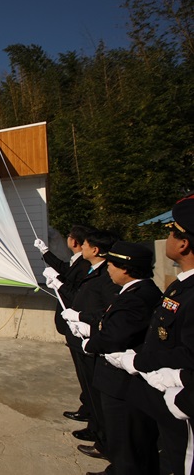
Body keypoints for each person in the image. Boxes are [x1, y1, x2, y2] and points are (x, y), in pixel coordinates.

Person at [107, 194, 194, 475]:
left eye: (172, 231)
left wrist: (142, 363)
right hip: (160, 394)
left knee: (178, 462)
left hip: (180, 403)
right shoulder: (181, 286)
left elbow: (188, 352)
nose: (168, 237)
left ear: (183, 243)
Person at [81, 241, 162, 475]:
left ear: (125, 269)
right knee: (123, 441)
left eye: (112, 265)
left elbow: (114, 336)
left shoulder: (137, 296)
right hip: (119, 381)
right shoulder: (136, 291)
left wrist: (90, 342)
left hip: (124, 384)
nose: (108, 269)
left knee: (127, 442)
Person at [58, 230, 120, 460]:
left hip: (90, 339)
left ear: (95, 250)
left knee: (96, 392)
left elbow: (108, 310)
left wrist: (84, 320)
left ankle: (102, 439)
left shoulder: (106, 275)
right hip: (79, 338)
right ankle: (94, 426)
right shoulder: (93, 269)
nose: (80, 247)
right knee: (89, 388)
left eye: (84, 244)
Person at [35, 225, 93, 422]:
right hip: (72, 326)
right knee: (82, 372)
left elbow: (74, 291)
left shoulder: (85, 266)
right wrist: (45, 252)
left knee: (86, 373)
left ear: (74, 241)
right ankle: (88, 407)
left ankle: (91, 411)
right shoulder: (78, 262)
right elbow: (64, 269)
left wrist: (59, 283)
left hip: (78, 326)